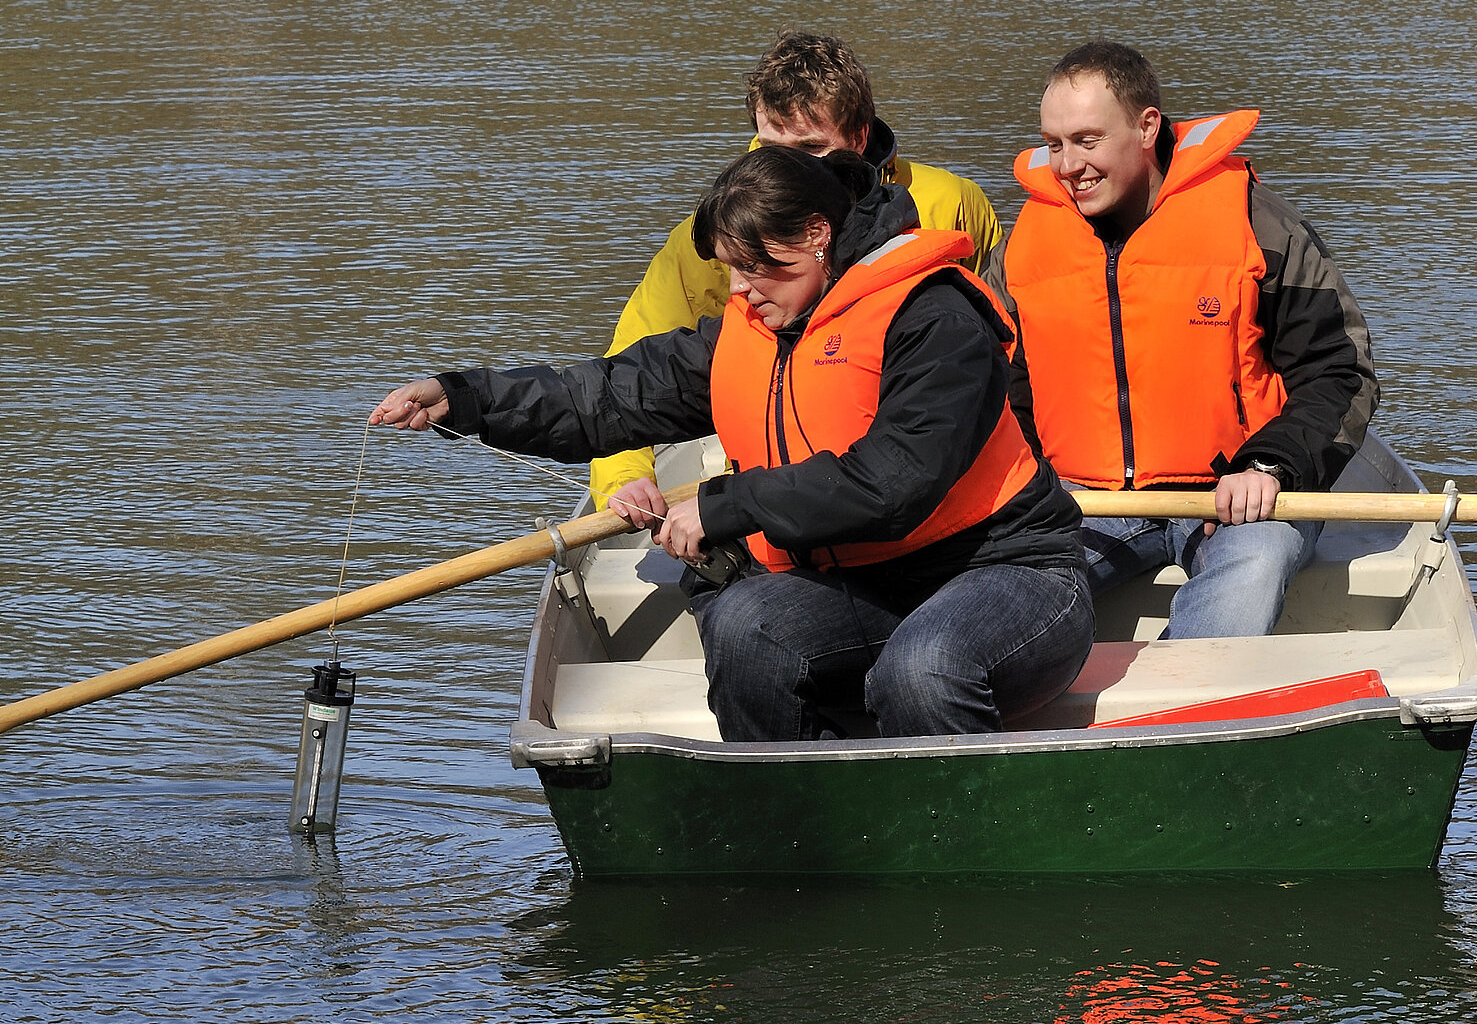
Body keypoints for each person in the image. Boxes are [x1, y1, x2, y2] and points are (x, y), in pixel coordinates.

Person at [372, 147, 1093, 741]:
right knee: (748, 629)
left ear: (818, 233)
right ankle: (792, 835)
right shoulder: (753, 330)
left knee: (922, 666)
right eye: (731, 270)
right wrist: (460, 398)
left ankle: (955, 847)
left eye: (757, 266)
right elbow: (608, 396)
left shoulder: (935, 317)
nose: (742, 291)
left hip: (1006, 572)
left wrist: (725, 505)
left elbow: (893, 480)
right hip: (867, 587)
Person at [982, 41, 1378, 638]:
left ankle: (1180, 710)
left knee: (1255, 564)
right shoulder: (1023, 249)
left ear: (1146, 128)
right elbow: (993, 385)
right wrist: (1032, 483)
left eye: (1088, 141)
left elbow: (1338, 371)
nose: (1068, 166)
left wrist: (1269, 466)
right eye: (1054, 144)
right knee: (991, 599)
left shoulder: (1258, 226)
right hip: (1084, 501)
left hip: (1244, 498)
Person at [589, 31, 1004, 520]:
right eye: (771, 146)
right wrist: (626, 477)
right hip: (778, 477)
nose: (789, 165)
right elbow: (636, 363)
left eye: (812, 147)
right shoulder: (706, 243)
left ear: (860, 135)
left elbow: (1003, 338)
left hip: (922, 461)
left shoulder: (952, 202)